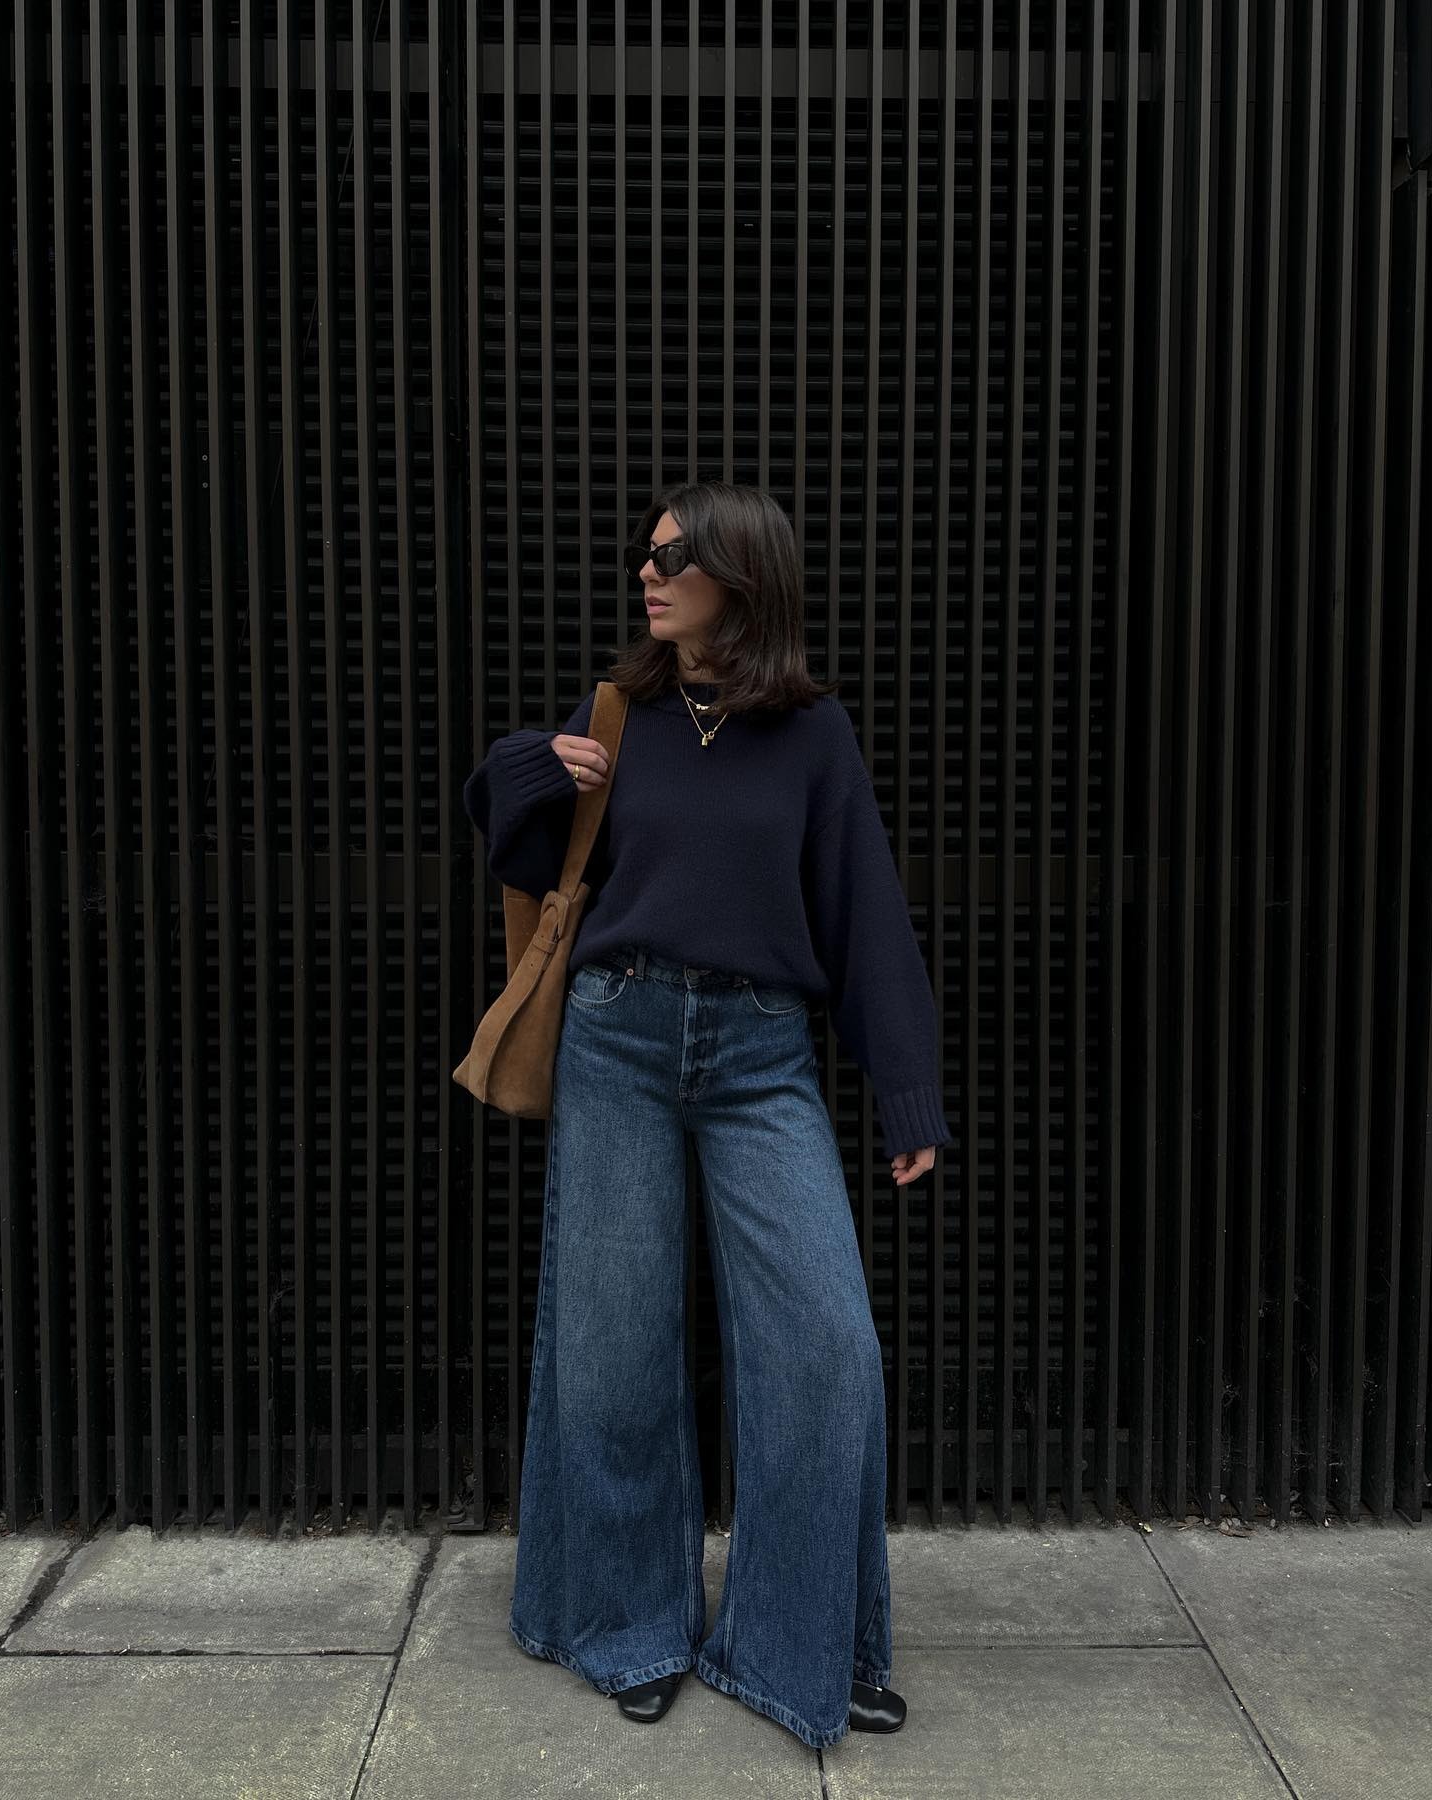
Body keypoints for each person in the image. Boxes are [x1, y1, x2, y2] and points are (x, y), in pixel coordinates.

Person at [463, 479, 950, 1750]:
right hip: (617, 1038)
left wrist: (905, 1088)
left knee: (828, 1348)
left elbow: (867, 921)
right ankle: (629, 1623)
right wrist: (523, 765)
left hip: (762, 1057)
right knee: (614, 1350)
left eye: (679, 553)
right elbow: (523, 861)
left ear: (746, 574)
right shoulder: (618, 714)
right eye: (648, 551)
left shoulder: (813, 735)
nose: (650, 569)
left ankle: (807, 1640)